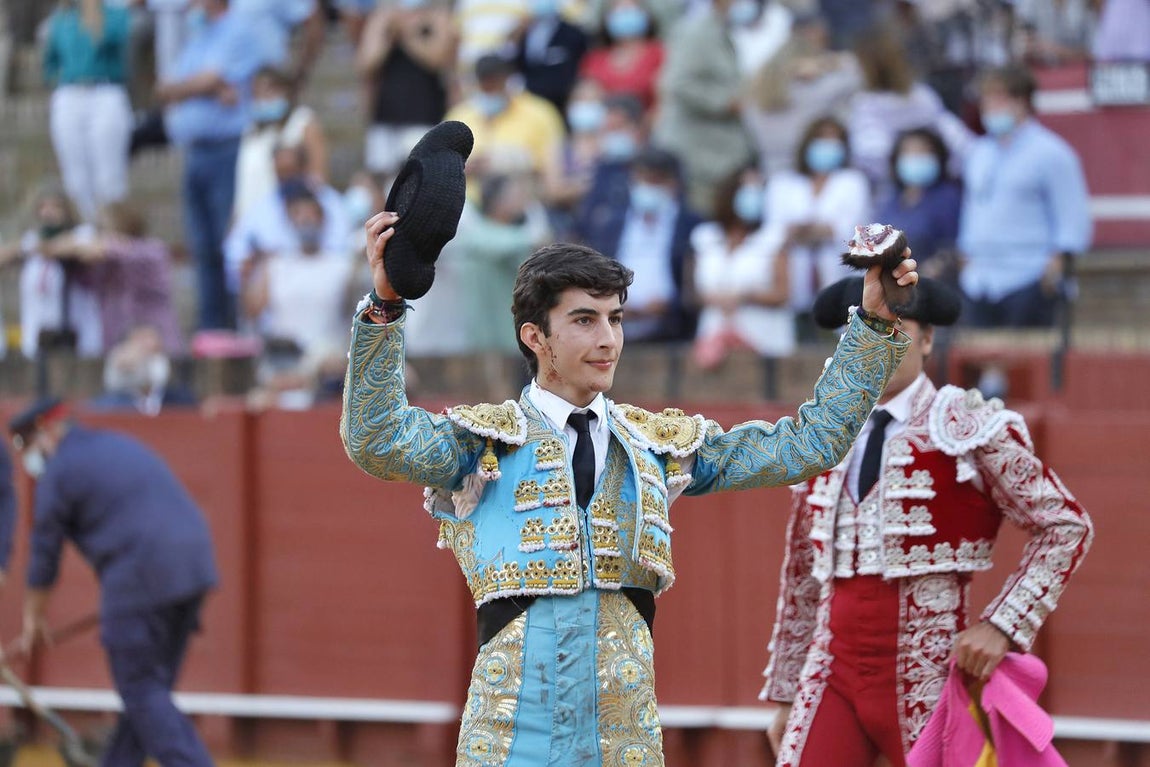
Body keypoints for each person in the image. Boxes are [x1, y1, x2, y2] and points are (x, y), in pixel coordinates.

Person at [341, 201, 920, 763]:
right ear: (534, 337)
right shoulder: (486, 445)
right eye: (584, 320)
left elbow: (809, 444)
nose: (608, 340)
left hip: (626, 742)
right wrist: (385, 306)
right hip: (512, 736)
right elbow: (376, 440)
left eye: (615, 319)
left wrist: (873, 325)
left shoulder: (655, 446)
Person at [760, 276, 1094, 767]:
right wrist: (787, 693)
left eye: (893, 327)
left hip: (930, 669)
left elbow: (1065, 525)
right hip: (831, 672)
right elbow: (803, 579)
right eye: (858, 331)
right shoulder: (822, 436)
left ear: (929, 339)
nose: (872, 344)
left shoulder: (966, 424)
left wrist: (1002, 625)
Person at [10, 398, 218, 767]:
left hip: (139, 574)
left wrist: (32, 618)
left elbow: (44, 550)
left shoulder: (61, 469)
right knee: (145, 700)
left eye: (27, 446)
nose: (29, 458)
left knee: (141, 693)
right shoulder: (115, 445)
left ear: (46, 434)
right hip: (193, 569)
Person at [957, 64, 1091, 328]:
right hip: (978, 280)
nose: (991, 107)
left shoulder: (1052, 153)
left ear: (1023, 101)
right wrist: (966, 255)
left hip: (1029, 277)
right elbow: (973, 208)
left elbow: (1073, 217)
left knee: (1028, 365)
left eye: (1000, 98)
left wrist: (1056, 266)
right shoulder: (978, 153)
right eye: (987, 99)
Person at [158, 0, 265, 330]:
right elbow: (165, 89)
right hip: (195, 151)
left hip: (227, 150)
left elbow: (206, 81)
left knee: (228, 241)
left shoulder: (240, 30)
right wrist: (203, 87)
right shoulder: (197, 35)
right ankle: (210, 328)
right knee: (201, 246)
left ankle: (235, 325)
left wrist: (196, 87)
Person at [575, 146, 703, 343]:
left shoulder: (691, 226)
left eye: (655, 180)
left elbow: (696, 285)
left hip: (673, 330)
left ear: (673, 183)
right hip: (616, 328)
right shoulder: (611, 224)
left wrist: (669, 304)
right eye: (642, 179)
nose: (647, 187)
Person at [759, 116, 870, 333]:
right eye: (821, 139)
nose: (827, 145)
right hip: (792, 285)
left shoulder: (853, 182)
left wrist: (806, 231)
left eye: (834, 140)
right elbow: (773, 233)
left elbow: (850, 232)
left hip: (838, 281)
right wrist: (813, 230)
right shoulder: (782, 183)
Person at [653, 0, 754, 215]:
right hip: (697, 161)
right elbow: (677, 83)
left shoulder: (721, 31)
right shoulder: (698, 32)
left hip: (719, 159)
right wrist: (726, 101)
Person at [689, 165, 793, 372]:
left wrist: (743, 297)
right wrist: (713, 298)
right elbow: (692, 291)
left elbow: (783, 293)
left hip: (765, 341)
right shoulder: (704, 236)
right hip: (712, 339)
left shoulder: (774, 237)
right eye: (748, 188)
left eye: (758, 189)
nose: (754, 195)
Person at [43, 0, 135, 223]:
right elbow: (50, 63)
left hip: (106, 90)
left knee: (109, 174)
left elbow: (116, 39)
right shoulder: (61, 18)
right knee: (74, 176)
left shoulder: (115, 14)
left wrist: (94, 17)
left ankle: (114, 232)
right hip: (69, 93)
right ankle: (85, 229)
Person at [357, 0, 454, 179]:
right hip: (385, 117)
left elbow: (438, 59)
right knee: (381, 179)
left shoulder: (438, 16)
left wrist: (407, 33)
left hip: (424, 116)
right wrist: (388, 36)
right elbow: (366, 65)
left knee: (418, 179)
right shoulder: (383, 18)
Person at [233, 65, 328, 221]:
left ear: (286, 91)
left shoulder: (303, 121)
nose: (263, 98)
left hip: (288, 221)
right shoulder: (251, 131)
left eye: (270, 90)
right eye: (257, 93)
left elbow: (318, 179)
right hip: (250, 219)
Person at [874, 128, 963, 278]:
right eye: (909, 152)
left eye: (922, 152)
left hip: (932, 285)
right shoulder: (891, 200)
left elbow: (955, 246)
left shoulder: (947, 197)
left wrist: (934, 267)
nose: (915, 158)